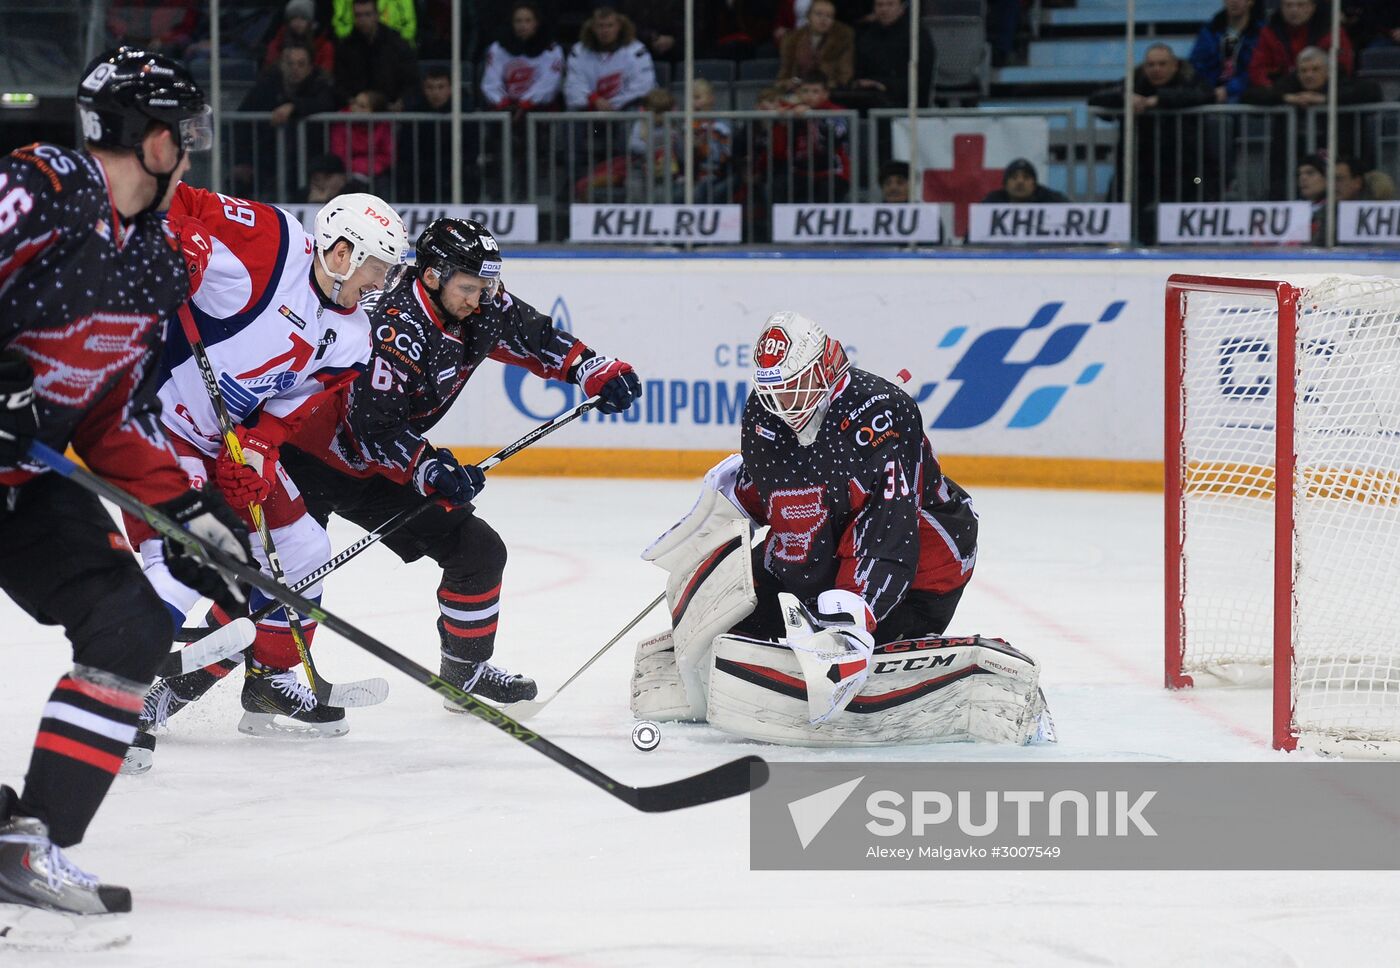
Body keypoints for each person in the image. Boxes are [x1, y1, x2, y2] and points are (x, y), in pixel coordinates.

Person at [134, 219, 644, 763]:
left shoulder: (482, 302)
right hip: (307, 454)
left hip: (378, 469)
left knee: (478, 552)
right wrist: (429, 467)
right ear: (432, 276)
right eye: (470, 287)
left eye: (487, 286)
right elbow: (371, 429)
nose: (482, 299)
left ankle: (464, 672)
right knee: (280, 577)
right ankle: (168, 692)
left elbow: (533, 335)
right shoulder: (392, 324)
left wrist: (591, 367)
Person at [0, 48, 250, 927]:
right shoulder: (44, 183)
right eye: (184, 131)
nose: (193, 147)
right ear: (147, 136)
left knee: (133, 622)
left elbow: (113, 415)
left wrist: (195, 516)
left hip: (22, 480)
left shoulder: (155, 260)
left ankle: (28, 842)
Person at [629, 313, 1045, 747]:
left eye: (794, 386)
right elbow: (780, 493)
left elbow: (889, 528)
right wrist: (720, 519)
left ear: (826, 368)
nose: (784, 403)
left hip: (922, 565)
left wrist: (850, 620)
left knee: (850, 616)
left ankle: (869, 629)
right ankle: (819, 621)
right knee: (735, 616)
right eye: (773, 390)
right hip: (824, 552)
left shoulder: (883, 412)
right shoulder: (763, 411)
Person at [120, 188, 409, 767]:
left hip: (221, 439)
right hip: (151, 421)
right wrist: (186, 246)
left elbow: (294, 403)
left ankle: (268, 680)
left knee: (304, 546)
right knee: (186, 561)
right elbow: (177, 198)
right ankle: (117, 705)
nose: (380, 286)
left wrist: (258, 447)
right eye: (375, 271)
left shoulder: (353, 337)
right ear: (342, 252)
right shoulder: (273, 244)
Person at [1089, 43, 1214, 242]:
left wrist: (1159, 100)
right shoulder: (1135, 82)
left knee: (1184, 220)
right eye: (1151, 65)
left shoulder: (1189, 80)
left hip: (1184, 167)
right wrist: (1125, 98)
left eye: (1162, 64)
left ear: (1175, 65)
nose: (1156, 69)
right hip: (1139, 165)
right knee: (1122, 212)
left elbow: (1207, 95)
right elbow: (1096, 98)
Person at [771, 73, 852, 203]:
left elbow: (836, 136)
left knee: (827, 190)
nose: (809, 95)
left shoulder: (836, 112)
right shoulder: (792, 112)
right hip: (800, 172)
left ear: (825, 94)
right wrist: (783, 121)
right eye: (805, 91)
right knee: (779, 186)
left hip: (832, 172)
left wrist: (812, 115)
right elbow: (780, 148)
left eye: (815, 91)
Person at [563, 6, 657, 112]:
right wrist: (594, 100)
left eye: (610, 25)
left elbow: (643, 86)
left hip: (624, 109)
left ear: (619, 26)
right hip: (590, 109)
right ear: (593, 27)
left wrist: (613, 104)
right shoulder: (579, 51)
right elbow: (574, 85)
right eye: (600, 26)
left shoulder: (636, 50)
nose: (605, 30)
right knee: (574, 112)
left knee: (635, 110)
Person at [480, 2, 565, 114]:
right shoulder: (498, 48)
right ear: (512, 23)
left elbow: (550, 82)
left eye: (528, 20)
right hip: (504, 111)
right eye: (518, 21)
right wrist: (503, 104)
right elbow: (491, 81)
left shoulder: (552, 49)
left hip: (539, 112)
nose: (523, 25)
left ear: (536, 23)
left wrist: (526, 103)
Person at [334, 0, 420, 108]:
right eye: (358, 15)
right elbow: (339, 84)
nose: (363, 20)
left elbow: (412, 81)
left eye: (367, 14)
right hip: (357, 114)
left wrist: (402, 102)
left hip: (392, 113)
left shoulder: (397, 44)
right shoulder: (345, 47)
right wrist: (351, 102)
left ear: (377, 15)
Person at [851, 0, 935, 109]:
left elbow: (922, 76)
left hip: (905, 99)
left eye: (890, 4)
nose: (884, 9)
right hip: (869, 95)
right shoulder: (866, 34)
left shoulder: (916, 34)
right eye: (879, 5)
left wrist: (885, 85)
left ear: (901, 8)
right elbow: (859, 69)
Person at [1249, 0, 1353, 87]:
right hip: (1281, 98)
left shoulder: (1332, 31)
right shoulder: (1269, 32)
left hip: (1323, 95)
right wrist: (1278, 92)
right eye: (1288, 5)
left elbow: (1341, 67)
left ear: (1312, 7)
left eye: (1301, 5)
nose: (1294, 10)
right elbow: (1257, 69)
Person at [1190, 0, 1266, 104]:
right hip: (1212, 98)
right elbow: (1198, 65)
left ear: (1250, 2)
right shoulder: (1209, 31)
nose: (1234, 2)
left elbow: (1260, 69)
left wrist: (1230, 89)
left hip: (1249, 98)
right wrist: (1212, 91)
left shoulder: (1262, 33)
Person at [777, 0, 854, 92]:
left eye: (829, 16)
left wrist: (822, 87)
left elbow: (845, 75)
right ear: (808, 16)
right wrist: (789, 83)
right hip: (798, 91)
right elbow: (784, 76)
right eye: (819, 14)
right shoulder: (792, 40)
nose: (824, 19)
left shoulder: (842, 38)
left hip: (831, 92)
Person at [264, 0, 336, 73]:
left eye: (303, 18)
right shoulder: (278, 42)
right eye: (294, 18)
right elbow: (269, 71)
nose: (298, 22)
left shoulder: (324, 46)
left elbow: (325, 76)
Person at [980, 158, 1069, 204]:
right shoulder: (992, 201)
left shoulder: (1052, 200)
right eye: (1014, 177)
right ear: (1005, 184)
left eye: (1026, 177)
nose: (1020, 182)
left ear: (1034, 184)